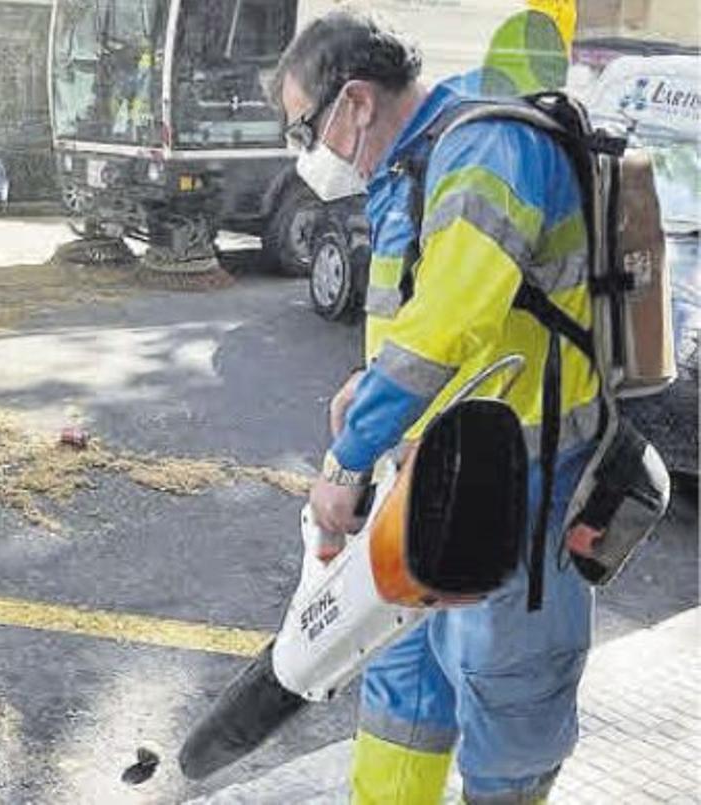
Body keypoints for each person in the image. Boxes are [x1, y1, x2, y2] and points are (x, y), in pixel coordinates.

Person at [273, 10, 600, 804]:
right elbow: (422, 324)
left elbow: (451, 322)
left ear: (354, 102)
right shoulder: (417, 163)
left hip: (521, 477)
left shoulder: (489, 150)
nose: (304, 154)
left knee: (507, 694)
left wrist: (348, 460)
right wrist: (372, 393)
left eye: (302, 129)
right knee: (401, 682)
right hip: (430, 471)